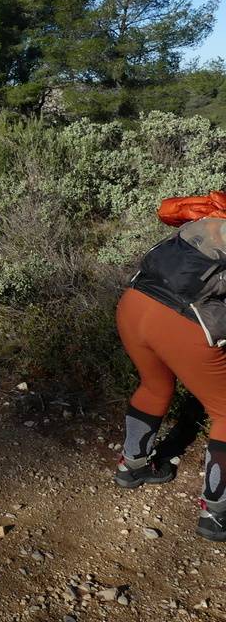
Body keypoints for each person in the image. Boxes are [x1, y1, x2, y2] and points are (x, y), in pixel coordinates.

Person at [114, 213, 226, 541]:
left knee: (154, 385)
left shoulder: (209, 217)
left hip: (134, 305)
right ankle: (216, 512)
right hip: (181, 322)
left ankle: (131, 466)